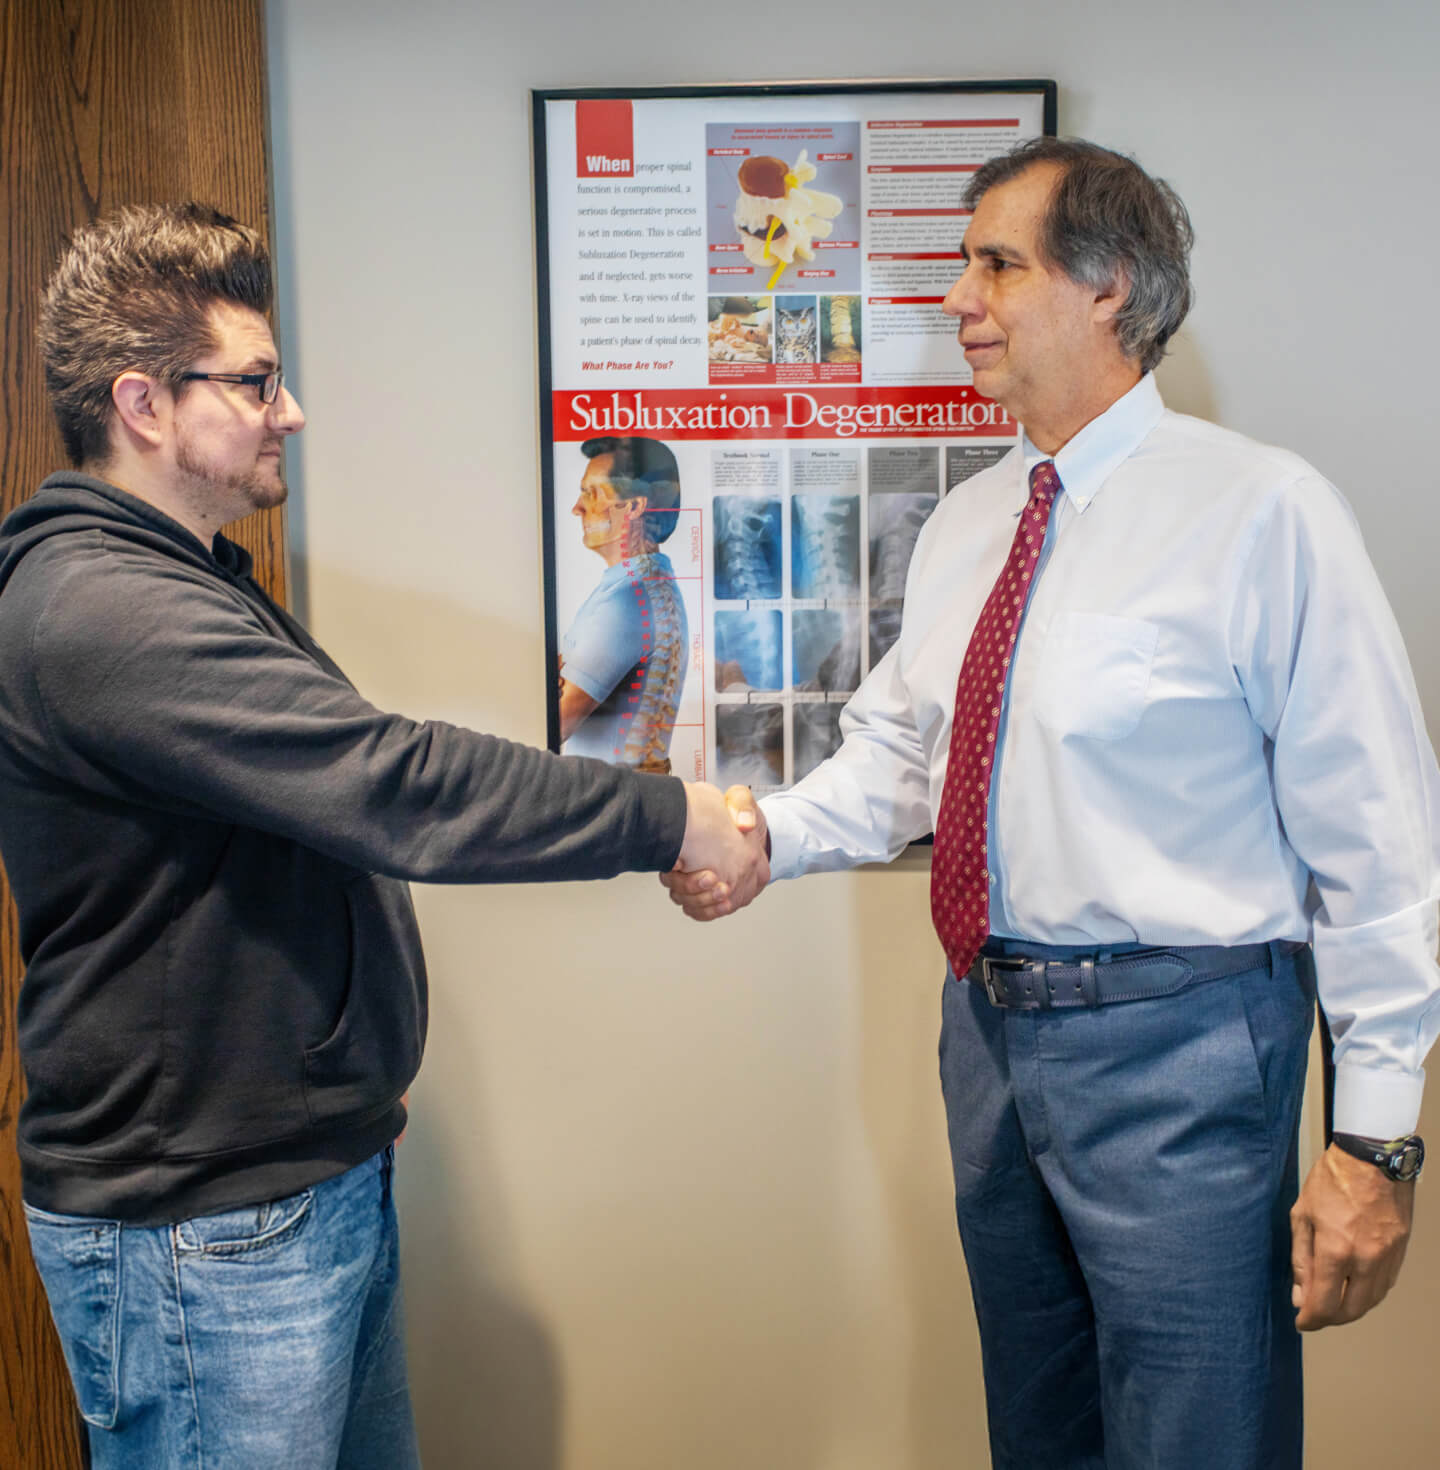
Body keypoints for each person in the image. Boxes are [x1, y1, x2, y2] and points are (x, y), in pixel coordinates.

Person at [663, 137, 1439, 1469]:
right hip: (991, 1042)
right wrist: (752, 838)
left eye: (995, 262)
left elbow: (1378, 838)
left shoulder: (1263, 512)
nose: (956, 297)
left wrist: (1377, 1138)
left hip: (1189, 1042)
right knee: (1042, 1436)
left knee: (1200, 1440)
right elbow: (900, 761)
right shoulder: (971, 525)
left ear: (1109, 286)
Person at [0, 201, 767, 1469]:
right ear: (144, 405)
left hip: (287, 1186)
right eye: (254, 381)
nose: (287, 409)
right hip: (203, 1233)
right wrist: (671, 814)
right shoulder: (104, 611)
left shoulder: (183, 579)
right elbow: (390, 784)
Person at [559, 435, 689, 773]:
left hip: (611, 804)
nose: (578, 507)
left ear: (633, 507)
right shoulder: (647, 585)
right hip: (625, 795)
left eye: (592, 493)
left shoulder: (626, 603)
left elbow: (553, 723)